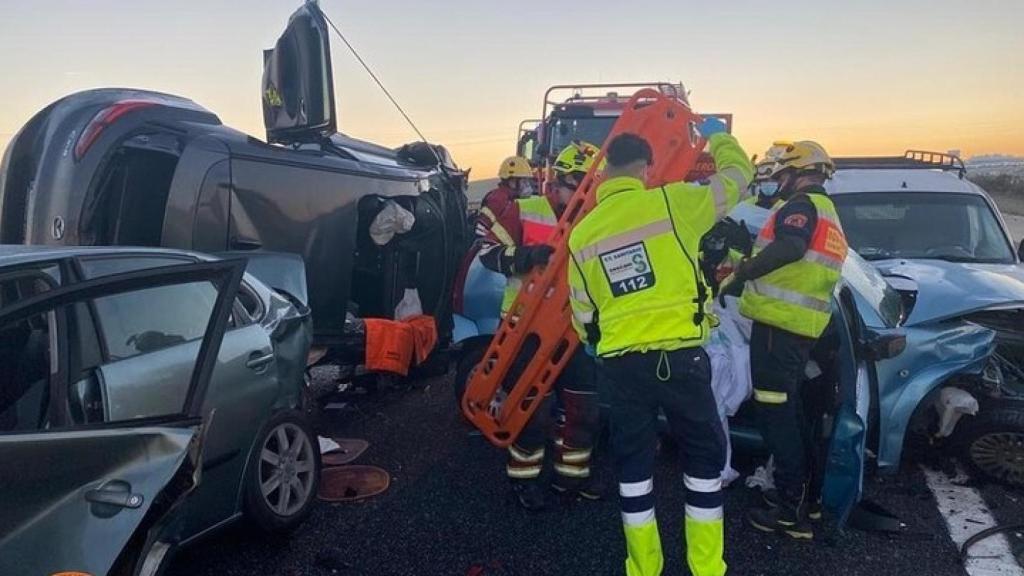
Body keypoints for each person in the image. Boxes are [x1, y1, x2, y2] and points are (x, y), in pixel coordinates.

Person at [567, 124, 753, 576]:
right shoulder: (676, 202)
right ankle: (706, 568)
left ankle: (643, 568)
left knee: (633, 471)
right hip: (682, 361)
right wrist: (716, 137)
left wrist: (600, 344)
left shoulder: (582, 234)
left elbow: (583, 314)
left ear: (605, 171)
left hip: (620, 368)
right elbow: (739, 174)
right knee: (703, 466)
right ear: (646, 168)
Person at [721, 140, 848, 540]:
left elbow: (791, 248)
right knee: (790, 417)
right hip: (799, 329)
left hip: (779, 327)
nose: (777, 182)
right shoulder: (827, 211)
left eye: (781, 176)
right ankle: (804, 501)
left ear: (797, 173)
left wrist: (742, 271)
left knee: (778, 419)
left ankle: (790, 511)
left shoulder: (800, 206)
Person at [478, 141, 604, 510]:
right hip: (525, 330)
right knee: (529, 409)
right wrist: (523, 257)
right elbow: (485, 251)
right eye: (577, 184)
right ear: (556, 183)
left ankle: (573, 477)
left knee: (583, 409)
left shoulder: (596, 219)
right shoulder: (526, 211)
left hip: (574, 331)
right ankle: (524, 479)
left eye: (589, 184)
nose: (582, 193)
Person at [473, 156, 537, 239]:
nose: (527, 186)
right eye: (524, 181)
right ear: (512, 182)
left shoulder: (513, 200)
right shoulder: (497, 200)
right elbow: (481, 231)